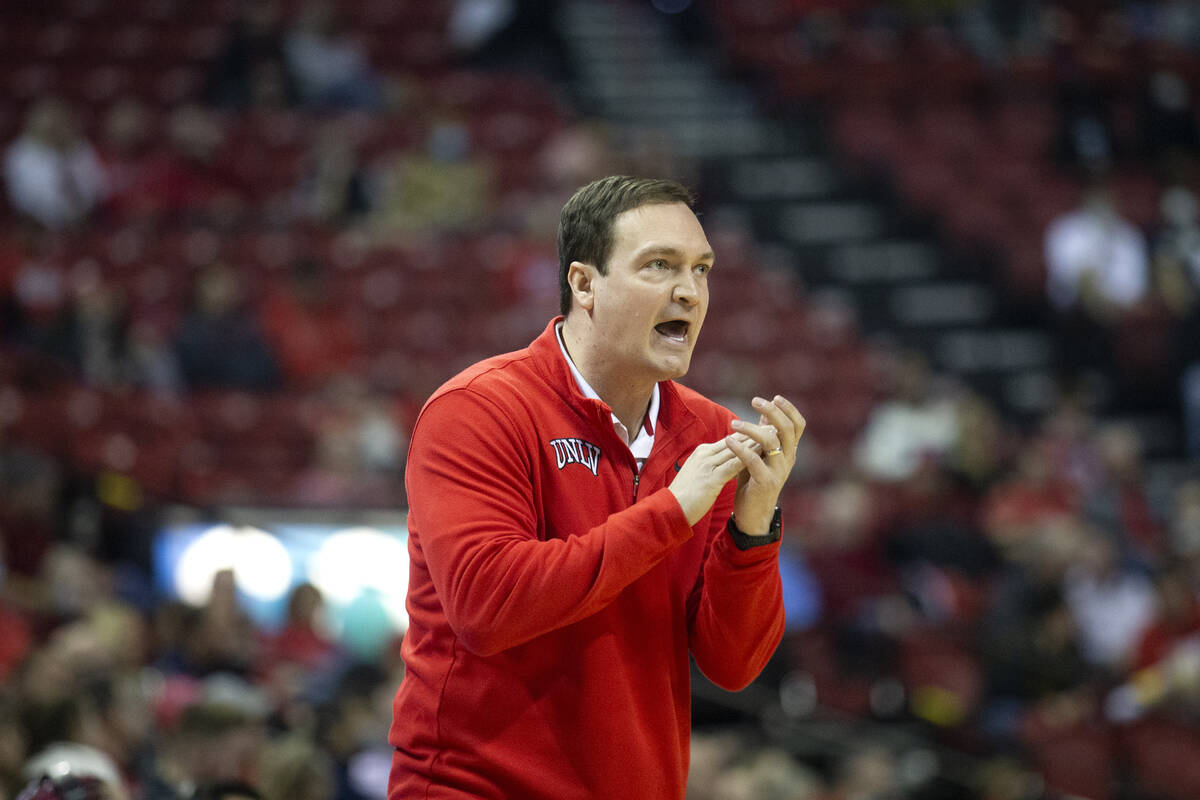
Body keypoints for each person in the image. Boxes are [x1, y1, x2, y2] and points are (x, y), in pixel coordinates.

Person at [387, 176, 804, 799]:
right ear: (584, 285)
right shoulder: (478, 410)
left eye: (702, 269)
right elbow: (486, 607)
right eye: (659, 266)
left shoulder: (709, 434)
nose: (689, 292)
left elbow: (733, 664)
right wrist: (671, 512)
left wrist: (754, 527)